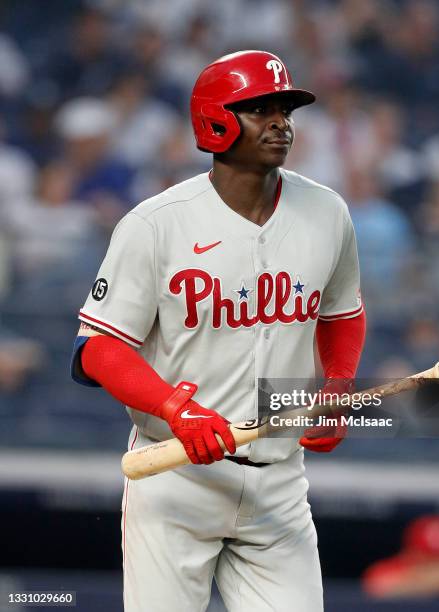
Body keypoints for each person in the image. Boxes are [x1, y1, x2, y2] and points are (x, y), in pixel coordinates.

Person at [71, 50, 366, 612]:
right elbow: (98, 350)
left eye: (285, 108)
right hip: (176, 473)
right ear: (214, 120)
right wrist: (175, 409)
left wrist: (338, 386)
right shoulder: (157, 223)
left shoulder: (327, 212)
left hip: (279, 481)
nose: (281, 122)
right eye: (259, 108)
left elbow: (342, 313)